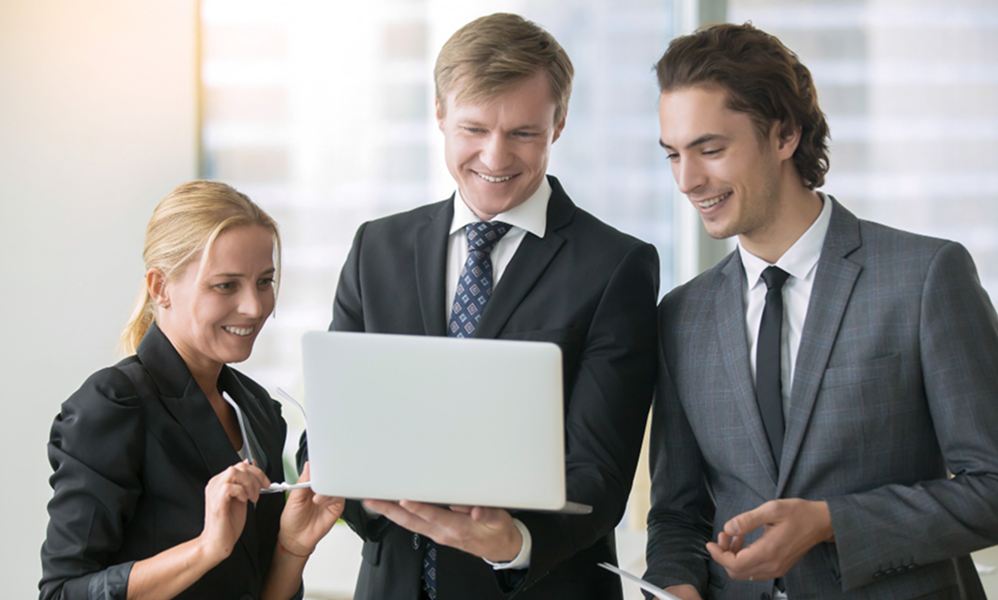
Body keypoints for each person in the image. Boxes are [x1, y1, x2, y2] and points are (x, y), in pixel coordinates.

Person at [299, 12, 659, 600]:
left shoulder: (616, 266)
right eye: (473, 129)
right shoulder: (377, 249)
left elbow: (600, 471)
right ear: (439, 114)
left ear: (559, 123)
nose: (495, 157)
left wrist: (513, 541)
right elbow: (333, 434)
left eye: (523, 133)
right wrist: (352, 490)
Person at [644, 22, 998, 600]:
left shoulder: (926, 277)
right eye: (673, 155)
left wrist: (831, 521)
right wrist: (676, 583)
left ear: (784, 136)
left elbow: (993, 486)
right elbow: (676, 514)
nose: (687, 180)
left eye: (710, 149)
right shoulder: (681, 316)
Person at [40, 181, 345, 600]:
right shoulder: (114, 405)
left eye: (264, 281)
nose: (255, 307)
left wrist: (293, 548)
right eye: (225, 285)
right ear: (160, 287)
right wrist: (205, 549)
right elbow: (62, 593)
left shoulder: (258, 411)